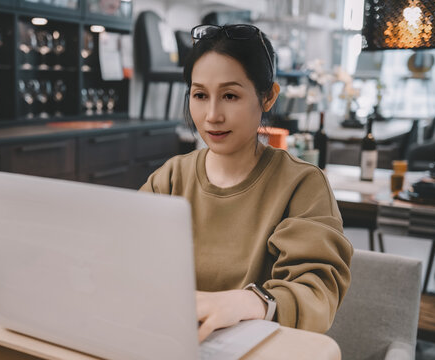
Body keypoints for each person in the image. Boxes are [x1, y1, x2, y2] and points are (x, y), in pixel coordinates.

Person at [140, 24, 353, 342]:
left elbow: (317, 292)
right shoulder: (169, 178)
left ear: (268, 97)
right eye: (200, 95)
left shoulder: (301, 185)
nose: (212, 115)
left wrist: (249, 301)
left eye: (230, 95)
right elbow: (127, 260)